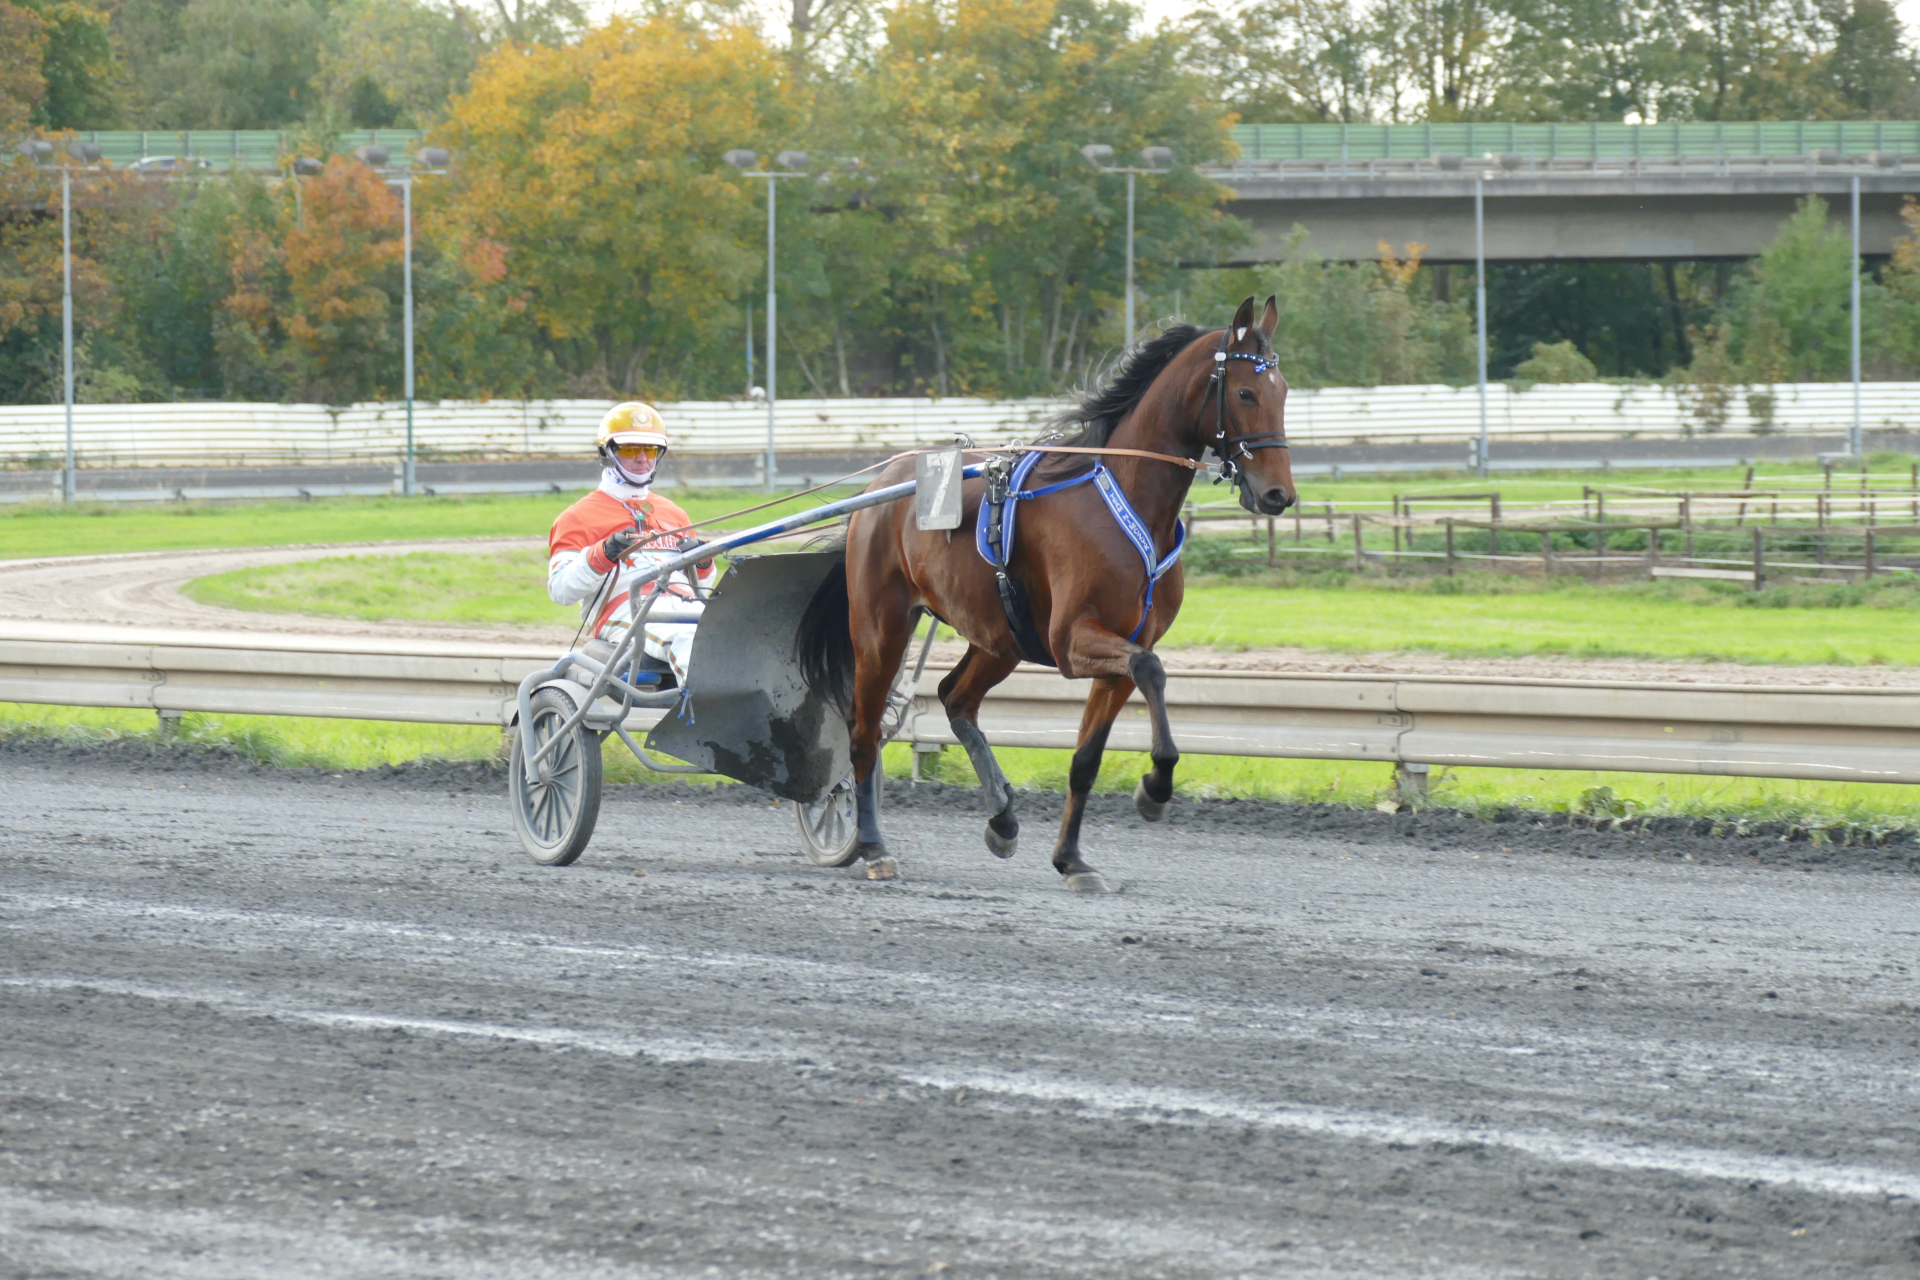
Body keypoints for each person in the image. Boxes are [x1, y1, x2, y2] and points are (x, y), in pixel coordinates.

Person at [547, 402, 713, 686]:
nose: (642, 459)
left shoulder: (674, 513)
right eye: (630, 449)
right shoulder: (576, 517)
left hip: (683, 605)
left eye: (650, 450)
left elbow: (702, 587)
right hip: (625, 613)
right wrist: (602, 553)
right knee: (687, 636)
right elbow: (561, 590)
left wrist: (703, 563)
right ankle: (707, 710)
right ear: (607, 452)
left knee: (738, 630)